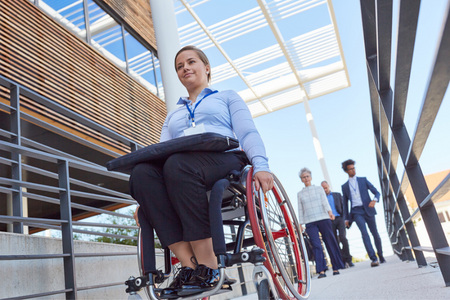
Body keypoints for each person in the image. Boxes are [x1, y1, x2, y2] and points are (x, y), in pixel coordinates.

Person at [129, 45, 274, 298]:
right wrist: (147, 198)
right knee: (142, 174)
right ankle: (189, 265)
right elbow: (160, 155)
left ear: (206, 67)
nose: (185, 67)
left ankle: (210, 266)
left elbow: (247, 133)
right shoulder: (173, 115)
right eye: (179, 66)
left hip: (224, 161)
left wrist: (261, 166)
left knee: (178, 165)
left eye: (191, 62)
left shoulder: (227, 97)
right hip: (182, 169)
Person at [297, 168, 344, 278]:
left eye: (307, 176)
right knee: (316, 245)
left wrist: (330, 212)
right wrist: (300, 223)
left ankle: (336, 267)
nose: (306, 178)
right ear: (301, 180)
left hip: (323, 217)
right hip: (310, 221)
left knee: (330, 242)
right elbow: (300, 209)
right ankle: (321, 270)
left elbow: (324, 201)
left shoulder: (319, 189)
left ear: (311, 177)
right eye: (303, 177)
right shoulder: (300, 194)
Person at [341, 159, 385, 267]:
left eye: (354, 168)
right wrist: (346, 219)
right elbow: (345, 204)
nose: (353, 170)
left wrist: (374, 200)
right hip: (356, 212)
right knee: (364, 233)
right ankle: (373, 259)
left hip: (368, 209)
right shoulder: (345, 186)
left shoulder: (363, 180)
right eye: (350, 169)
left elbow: (376, 192)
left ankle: (381, 255)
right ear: (346, 171)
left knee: (375, 233)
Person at [321, 181, 354, 268]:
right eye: (323, 188)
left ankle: (349, 259)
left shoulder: (337, 195)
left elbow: (344, 207)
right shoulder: (321, 199)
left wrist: (346, 218)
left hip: (340, 218)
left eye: (326, 187)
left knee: (343, 238)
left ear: (328, 186)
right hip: (329, 221)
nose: (325, 189)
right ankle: (342, 261)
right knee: (335, 241)